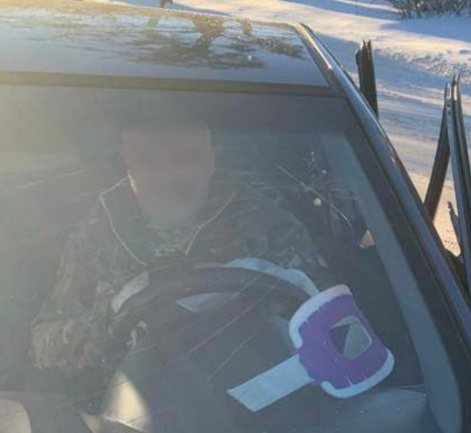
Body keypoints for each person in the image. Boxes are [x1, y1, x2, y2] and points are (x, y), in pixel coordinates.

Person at [31, 122, 328, 380]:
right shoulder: (96, 236)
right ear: (128, 166)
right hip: (131, 418)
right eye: (147, 160)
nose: (167, 176)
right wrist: (112, 315)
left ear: (211, 161)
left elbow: (334, 325)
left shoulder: (265, 221)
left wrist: (277, 290)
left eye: (185, 158)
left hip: (269, 404)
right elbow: (43, 349)